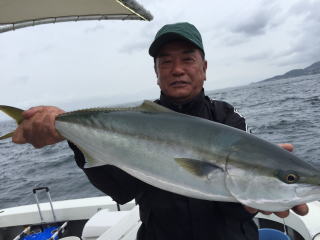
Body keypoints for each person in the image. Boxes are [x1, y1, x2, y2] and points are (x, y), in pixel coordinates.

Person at [12, 22, 308, 240]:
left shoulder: (227, 118)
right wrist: (73, 136)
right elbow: (121, 190)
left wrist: (255, 202)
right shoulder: (138, 120)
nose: (177, 69)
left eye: (187, 59)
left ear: (204, 67)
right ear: (156, 73)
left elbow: (240, 187)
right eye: (165, 62)